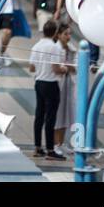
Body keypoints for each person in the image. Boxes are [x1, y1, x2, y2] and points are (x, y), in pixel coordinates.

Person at [27, 19, 68, 160]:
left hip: (39, 83)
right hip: (51, 85)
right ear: (56, 32)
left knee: (39, 116)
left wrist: (40, 69)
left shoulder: (36, 46)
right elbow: (55, 68)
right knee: (50, 118)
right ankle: (50, 150)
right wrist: (65, 69)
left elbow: (31, 67)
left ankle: (38, 148)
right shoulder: (55, 47)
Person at [55, 23, 76, 150]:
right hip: (57, 85)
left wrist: (67, 67)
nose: (68, 37)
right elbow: (57, 68)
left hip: (68, 84)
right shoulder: (55, 49)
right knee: (57, 115)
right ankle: (55, 144)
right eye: (65, 34)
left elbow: (75, 68)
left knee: (65, 115)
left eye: (70, 34)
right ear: (58, 35)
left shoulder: (71, 49)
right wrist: (67, 67)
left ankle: (61, 143)